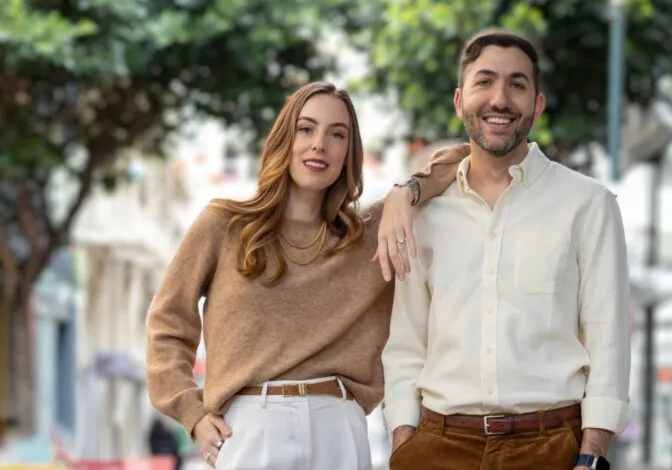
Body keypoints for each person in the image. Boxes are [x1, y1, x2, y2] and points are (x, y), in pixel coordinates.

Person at [145, 81, 469, 470]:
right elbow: (167, 322)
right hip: (251, 424)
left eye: (337, 134)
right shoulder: (225, 225)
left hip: (339, 426)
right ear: (285, 137)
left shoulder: (368, 235)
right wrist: (191, 412)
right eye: (306, 128)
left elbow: (462, 158)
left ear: (349, 153)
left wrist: (406, 192)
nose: (320, 144)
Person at [382, 29, 631, 470]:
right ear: (460, 101)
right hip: (438, 447)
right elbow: (406, 343)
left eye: (517, 84)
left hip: (551, 447)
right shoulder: (425, 214)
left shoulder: (588, 204)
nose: (500, 99)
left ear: (537, 104)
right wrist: (404, 442)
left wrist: (592, 455)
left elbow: (608, 337)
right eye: (484, 82)